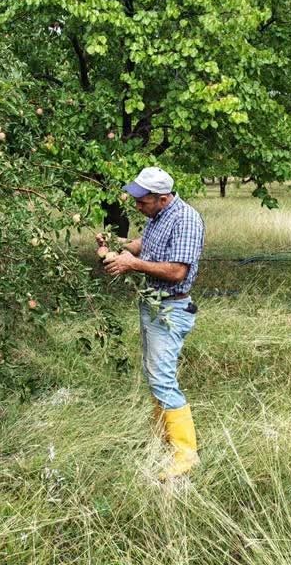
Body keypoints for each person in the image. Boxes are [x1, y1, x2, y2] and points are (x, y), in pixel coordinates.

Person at [101, 166, 205, 480]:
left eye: (142, 201)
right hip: (152, 304)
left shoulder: (186, 219)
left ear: (162, 198)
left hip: (170, 309)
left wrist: (132, 264)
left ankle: (185, 455)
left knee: (162, 378)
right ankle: (165, 439)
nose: (137, 206)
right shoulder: (158, 216)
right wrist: (115, 243)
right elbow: (142, 245)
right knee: (154, 373)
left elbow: (177, 272)